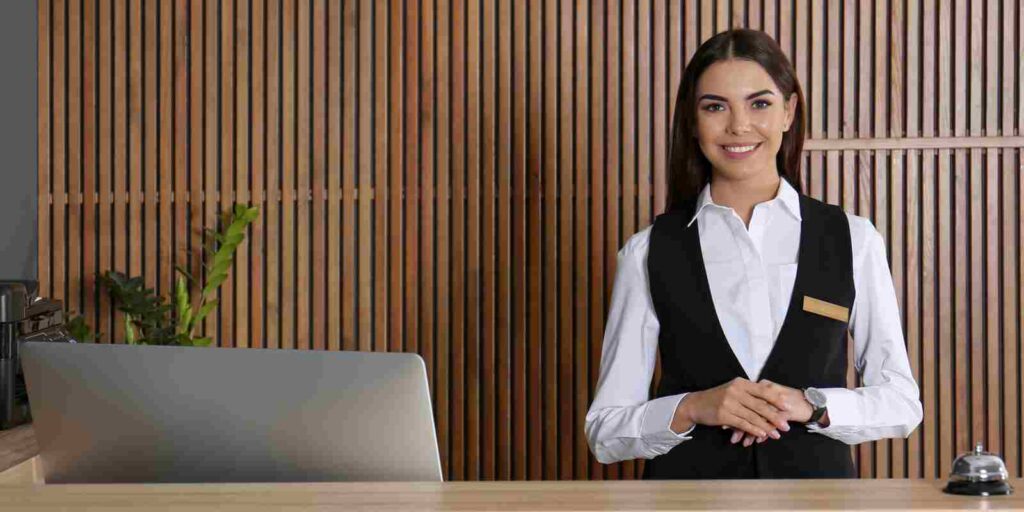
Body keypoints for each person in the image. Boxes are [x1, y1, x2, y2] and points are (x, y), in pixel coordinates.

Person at [584, 29, 923, 479]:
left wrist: (813, 406)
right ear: (692, 119)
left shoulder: (853, 239)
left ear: (789, 111)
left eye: (759, 103)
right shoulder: (648, 250)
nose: (738, 126)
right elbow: (605, 432)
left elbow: (902, 402)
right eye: (715, 106)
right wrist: (693, 408)